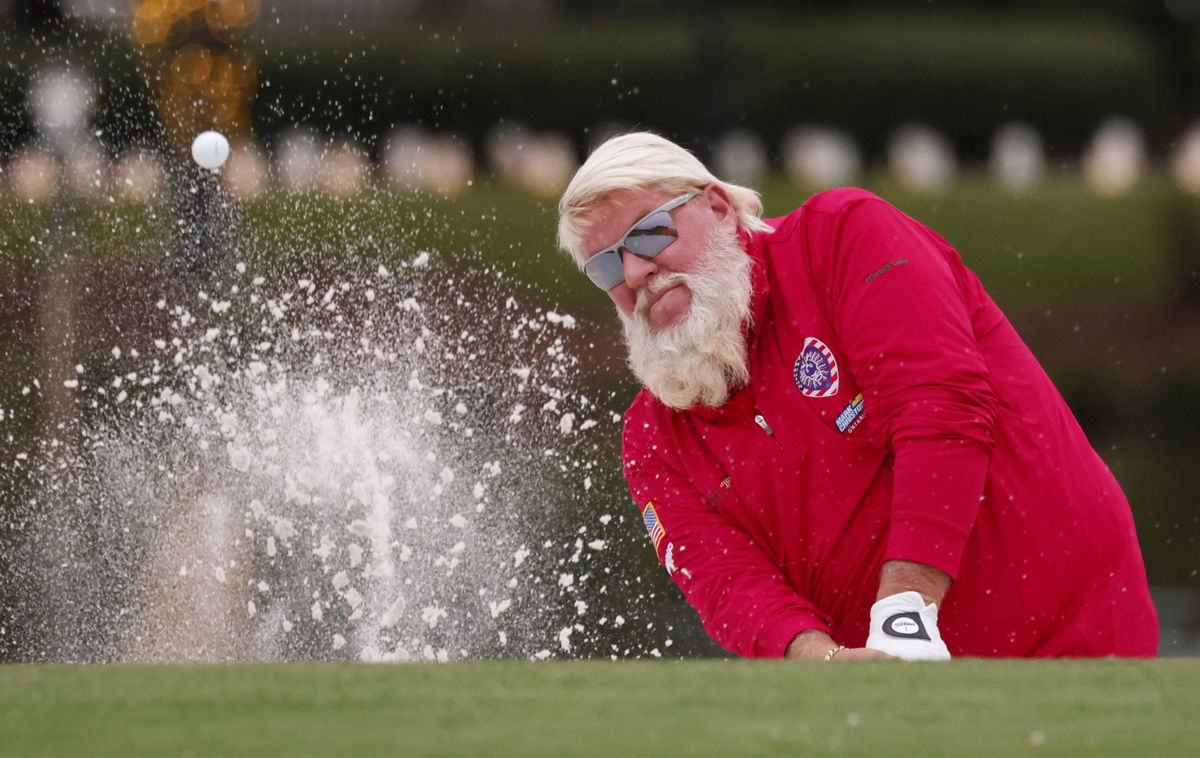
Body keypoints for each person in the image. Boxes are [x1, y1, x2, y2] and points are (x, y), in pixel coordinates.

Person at [556, 132, 1158, 660]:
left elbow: (940, 408)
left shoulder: (843, 236)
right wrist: (830, 665)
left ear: (717, 207)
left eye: (649, 232)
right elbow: (726, 583)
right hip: (898, 690)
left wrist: (904, 614)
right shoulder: (651, 438)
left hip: (1071, 634)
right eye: (606, 267)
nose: (635, 273)